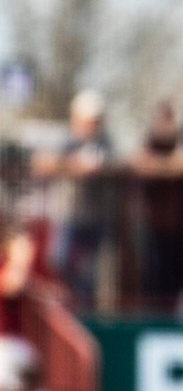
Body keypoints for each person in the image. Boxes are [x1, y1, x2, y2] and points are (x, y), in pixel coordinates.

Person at [0, 209, 80, 391]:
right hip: (5, 354)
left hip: (13, 357)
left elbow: (46, 293)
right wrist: (21, 256)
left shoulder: (20, 269)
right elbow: (11, 285)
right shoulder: (11, 266)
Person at [31, 90, 115, 307]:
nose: (94, 125)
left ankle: (85, 309)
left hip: (95, 217)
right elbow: (41, 162)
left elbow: (117, 164)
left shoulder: (106, 143)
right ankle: (65, 305)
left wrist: (101, 168)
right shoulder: (65, 140)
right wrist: (73, 164)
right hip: (67, 215)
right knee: (60, 262)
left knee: (91, 274)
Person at [131, 101, 183, 312]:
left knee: (182, 279)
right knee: (155, 279)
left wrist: (169, 166)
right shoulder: (151, 141)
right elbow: (143, 164)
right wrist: (175, 166)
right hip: (156, 227)